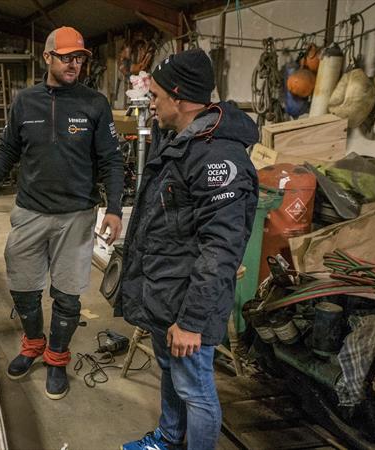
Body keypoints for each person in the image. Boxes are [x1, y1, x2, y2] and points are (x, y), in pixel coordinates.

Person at [116, 49, 259, 450]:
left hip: (189, 303)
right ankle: (168, 437)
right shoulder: (184, 140)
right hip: (168, 293)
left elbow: (221, 249)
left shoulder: (217, 155)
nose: (153, 104)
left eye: (157, 96)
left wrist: (193, 322)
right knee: (171, 371)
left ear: (179, 98)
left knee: (195, 387)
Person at [0, 26, 124, 400]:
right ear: (47, 58)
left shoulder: (94, 103)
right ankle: (33, 343)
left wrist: (116, 208)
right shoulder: (25, 102)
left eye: (79, 58)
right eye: (67, 57)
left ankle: (57, 358)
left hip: (76, 215)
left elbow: (111, 160)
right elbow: (8, 148)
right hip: (30, 211)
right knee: (23, 286)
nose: (74, 64)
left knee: (69, 294)